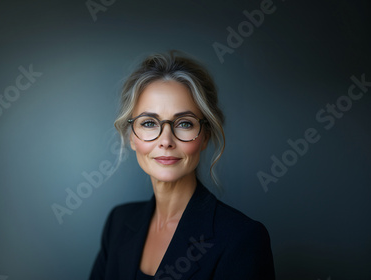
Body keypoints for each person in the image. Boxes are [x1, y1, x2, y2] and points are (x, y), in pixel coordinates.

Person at [89, 50, 275, 280]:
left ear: (205, 136)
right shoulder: (119, 222)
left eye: (184, 124)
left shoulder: (242, 239)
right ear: (131, 137)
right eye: (149, 123)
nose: (166, 141)